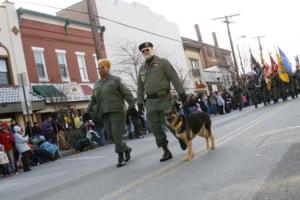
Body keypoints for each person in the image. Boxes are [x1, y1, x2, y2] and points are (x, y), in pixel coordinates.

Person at [136, 42, 187, 162]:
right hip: (150, 102)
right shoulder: (142, 69)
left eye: (147, 50)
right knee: (155, 128)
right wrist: (139, 103)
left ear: (152, 50)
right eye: (143, 51)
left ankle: (180, 138)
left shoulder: (163, 63)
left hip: (165, 99)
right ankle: (165, 150)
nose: (145, 52)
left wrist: (182, 94)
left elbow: (173, 77)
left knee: (172, 124)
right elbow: (140, 87)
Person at [85, 58, 137, 168]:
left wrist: (132, 107)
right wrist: (86, 111)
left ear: (108, 68)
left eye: (102, 67)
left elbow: (127, 93)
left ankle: (120, 156)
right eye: (98, 68)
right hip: (104, 113)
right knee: (111, 136)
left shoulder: (116, 80)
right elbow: (93, 99)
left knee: (117, 135)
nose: (99, 70)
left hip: (117, 111)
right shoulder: (97, 84)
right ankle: (126, 149)